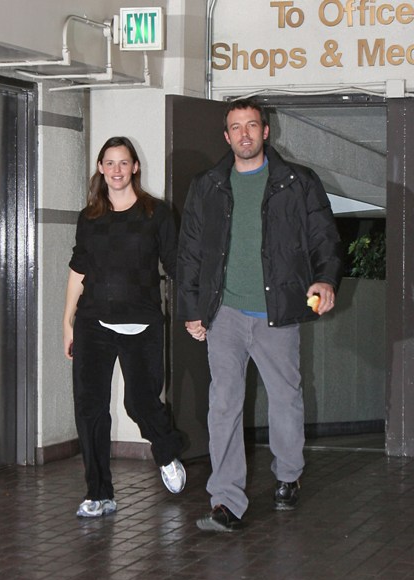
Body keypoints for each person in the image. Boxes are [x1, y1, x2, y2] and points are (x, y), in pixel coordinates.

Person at [177, 99, 343, 532]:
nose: (245, 134)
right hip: (225, 313)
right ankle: (226, 500)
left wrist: (325, 279)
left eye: (252, 125)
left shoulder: (297, 181)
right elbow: (190, 250)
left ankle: (288, 473)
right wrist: (192, 309)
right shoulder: (208, 185)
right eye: (236, 127)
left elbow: (324, 238)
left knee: (285, 399)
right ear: (226, 136)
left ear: (266, 132)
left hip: (278, 311)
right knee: (223, 405)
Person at [63, 136, 186, 519]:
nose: (116, 170)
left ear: (135, 167)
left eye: (123, 162)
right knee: (90, 408)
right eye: (109, 163)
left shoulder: (157, 214)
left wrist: (195, 309)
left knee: (140, 402)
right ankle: (99, 493)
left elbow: (176, 265)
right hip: (92, 322)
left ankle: (166, 452)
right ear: (101, 169)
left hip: (142, 323)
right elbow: (79, 269)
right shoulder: (89, 218)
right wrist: (67, 321)